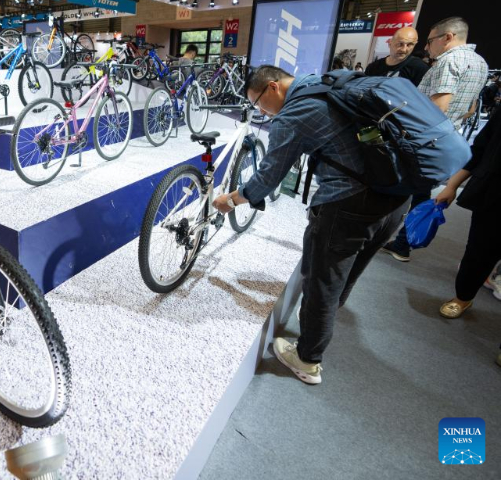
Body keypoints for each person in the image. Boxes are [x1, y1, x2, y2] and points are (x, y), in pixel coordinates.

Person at [212, 65, 409, 385]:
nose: (261, 112)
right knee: (351, 268)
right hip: (397, 195)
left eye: (259, 103)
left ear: (273, 87)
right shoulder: (328, 82)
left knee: (322, 281)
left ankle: (308, 359)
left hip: (351, 205)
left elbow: (268, 177)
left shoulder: (293, 114)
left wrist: (232, 200)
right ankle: (325, 317)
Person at [382, 17, 488, 262]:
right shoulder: (480, 63)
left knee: (401, 187)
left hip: (424, 140)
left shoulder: (449, 61)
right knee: (419, 191)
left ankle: (395, 241)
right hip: (448, 140)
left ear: (447, 37)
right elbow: (471, 109)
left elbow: (438, 107)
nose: (427, 47)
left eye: (429, 41)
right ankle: (402, 243)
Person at [434, 109, 501, 319]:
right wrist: (452, 185)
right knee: (479, 250)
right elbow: (480, 149)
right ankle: (463, 297)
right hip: (494, 193)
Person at [364, 27, 430, 86]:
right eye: (400, 44)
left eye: (410, 44)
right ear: (390, 43)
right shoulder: (373, 67)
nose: (404, 49)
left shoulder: (420, 69)